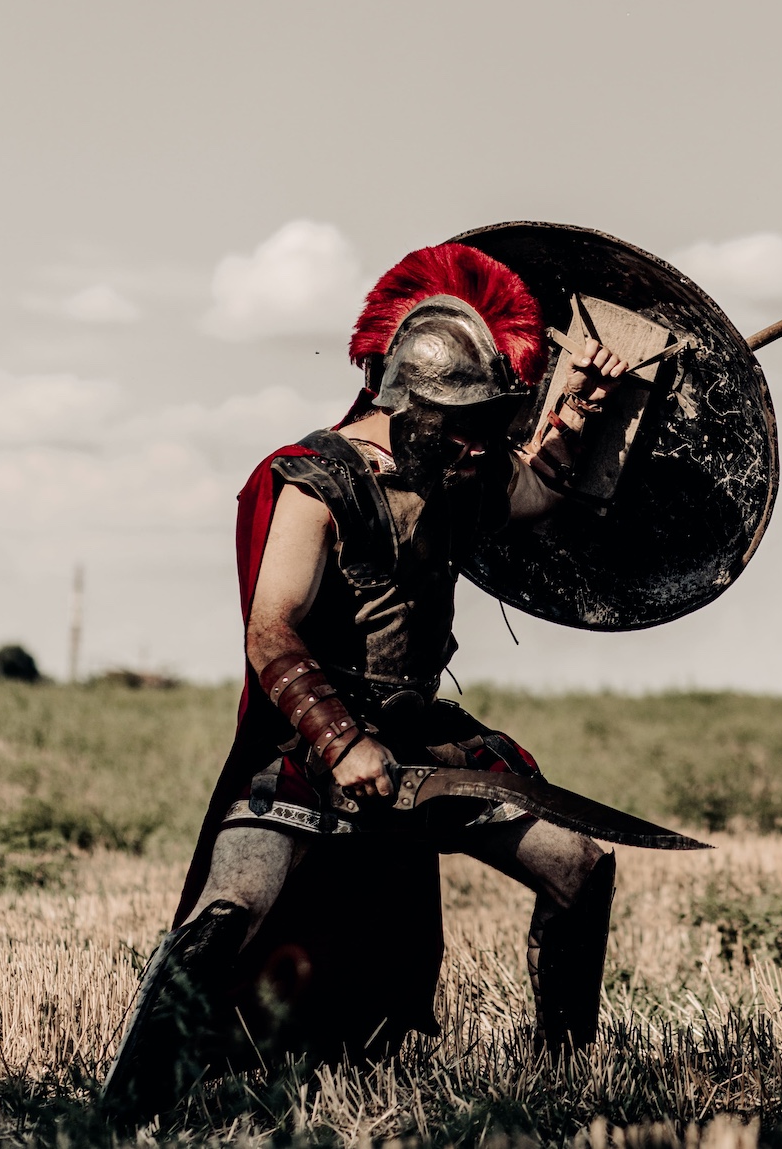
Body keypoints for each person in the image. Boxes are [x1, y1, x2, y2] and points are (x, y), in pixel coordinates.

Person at [104, 242, 631, 1117]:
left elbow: (543, 493)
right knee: (228, 912)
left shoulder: (461, 471)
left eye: (483, 419)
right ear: (407, 404)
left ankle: (562, 1088)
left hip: (423, 740)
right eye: (458, 419)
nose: (474, 440)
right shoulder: (316, 484)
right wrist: (340, 739)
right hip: (308, 746)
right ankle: (127, 1114)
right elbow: (271, 632)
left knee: (580, 863)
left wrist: (583, 412)